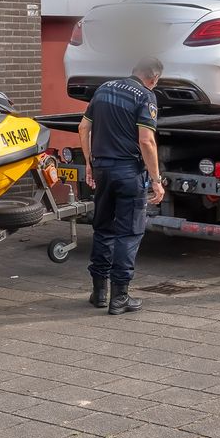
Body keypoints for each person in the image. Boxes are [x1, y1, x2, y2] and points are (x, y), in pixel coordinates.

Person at [78, 57, 166, 315]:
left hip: (103, 168)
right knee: (128, 233)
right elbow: (147, 141)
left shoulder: (104, 89)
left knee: (103, 228)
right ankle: (120, 298)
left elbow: (84, 127)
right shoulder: (146, 96)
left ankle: (99, 293)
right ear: (154, 78)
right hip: (128, 172)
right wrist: (157, 180)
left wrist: (89, 163)